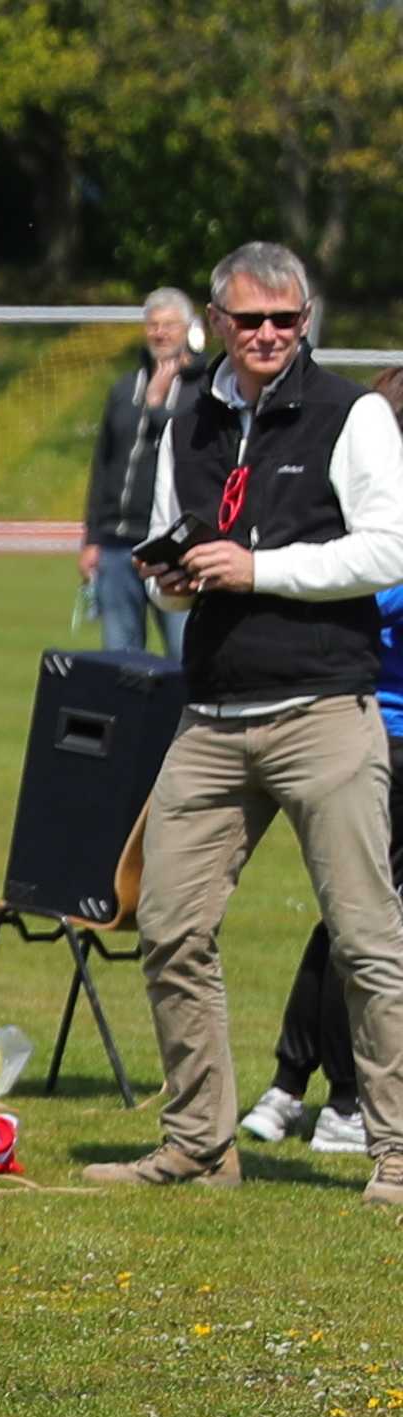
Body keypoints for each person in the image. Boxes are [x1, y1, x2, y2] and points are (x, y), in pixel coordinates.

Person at [87, 242, 403, 1207]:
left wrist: (259, 569)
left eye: (286, 319)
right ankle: (197, 1143)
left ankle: (397, 1150)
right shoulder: (187, 415)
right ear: (217, 321)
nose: (270, 334)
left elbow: (388, 549)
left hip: (324, 710)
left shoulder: (351, 412)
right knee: (168, 926)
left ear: (306, 320)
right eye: (252, 319)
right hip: (214, 714)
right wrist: (173, 580)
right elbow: (172, 558)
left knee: (366, 939)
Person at [239, 365, 403, 1157]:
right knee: (369, 921)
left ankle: (286, 1086)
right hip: (387, 733)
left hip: (365, 725)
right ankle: (343, 1099)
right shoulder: (378, 515)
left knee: (352, 913)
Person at [80, 290, 200, 660]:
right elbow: (104, 464)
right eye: (153, 325)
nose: (160, 333)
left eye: (169, 325)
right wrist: (92, 538)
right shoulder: (122, 389)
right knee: (119, 656)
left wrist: (157, 405)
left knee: (184, 653)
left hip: (172, 547)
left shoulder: (204, 389)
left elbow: (191, 448)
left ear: (188, 329)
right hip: (118, 544)